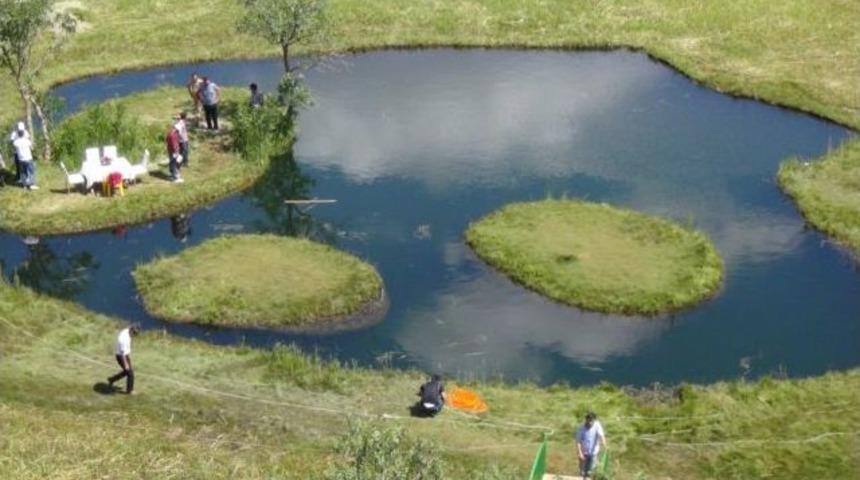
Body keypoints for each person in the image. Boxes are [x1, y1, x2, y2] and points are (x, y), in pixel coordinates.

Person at [108, 324, 140, 394]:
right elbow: (123, 354)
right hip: (121, 357)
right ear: (131, 330)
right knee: (130, 373)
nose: (134, 335)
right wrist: (126, 364)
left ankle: (111, 379)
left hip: (125, 355)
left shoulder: (127, 330)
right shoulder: (123, 340)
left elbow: (125, 352)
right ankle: (130, 391)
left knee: (127, 371)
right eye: (134, 333)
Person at [576, 412, 607, 479]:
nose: (590, 422)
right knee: (583, 471)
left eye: (591, 421)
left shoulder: (597, 425)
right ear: (586, 420)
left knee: (592, 470)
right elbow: (578, 441)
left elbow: (601, 435)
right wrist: (580, 453)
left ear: (594, 420)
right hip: (583, 452)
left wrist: (604, 445)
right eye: (588, 420)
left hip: (594, 452)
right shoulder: (581, 428)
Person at [12, 124, 37, 190]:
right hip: (28, 158)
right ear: (23, 133)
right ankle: (31, 185)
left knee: (23, 173)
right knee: (31, 171)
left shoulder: (15, 142)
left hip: (21, 159)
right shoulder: (27, 141)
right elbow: (32, 148)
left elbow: (14, 148)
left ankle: (24, 185)